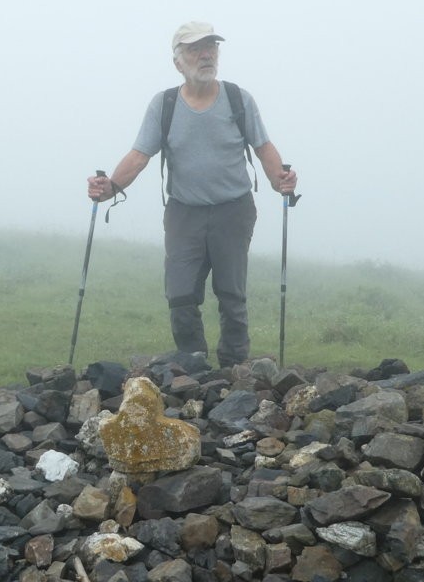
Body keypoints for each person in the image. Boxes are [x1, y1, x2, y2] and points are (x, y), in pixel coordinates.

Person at [87, 21, 297, 368]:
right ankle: (192, 364)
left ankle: (234, 368)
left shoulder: (238, 99)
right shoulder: (164, 105)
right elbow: (140, 155)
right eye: (194, 49)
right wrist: (110, 188)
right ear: (178, 62)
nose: (205, 55)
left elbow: (263, 147)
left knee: (232, 293)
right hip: (184, 212)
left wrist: (280, 180)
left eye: (211, 47)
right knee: (181, 293)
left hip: (234, 209)